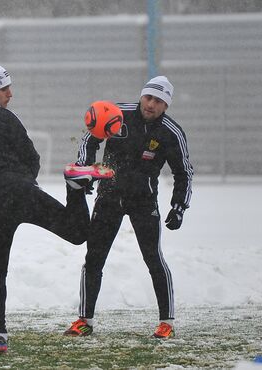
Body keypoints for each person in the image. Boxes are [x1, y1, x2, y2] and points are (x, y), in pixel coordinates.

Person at [0, 63, 104, 354]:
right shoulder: (6, 119)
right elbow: (32, 159)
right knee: (77, 233)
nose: (10, 94)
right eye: (5, 88)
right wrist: (22, 181)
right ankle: (74, 186)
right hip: (20, 193)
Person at [63, 76, 194, 339]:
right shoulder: (117, 113)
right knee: (94, 259)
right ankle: (84, 320)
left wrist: (179, 206)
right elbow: (90, 138)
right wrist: (86, 169)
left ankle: (166, 322)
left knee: (153, 259)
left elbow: (184, 172)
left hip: (143, 201)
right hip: (108, 197)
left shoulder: (171, 132)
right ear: (142, 96)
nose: (151, 104)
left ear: (166, 106)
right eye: (148, 98)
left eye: (158, 101)